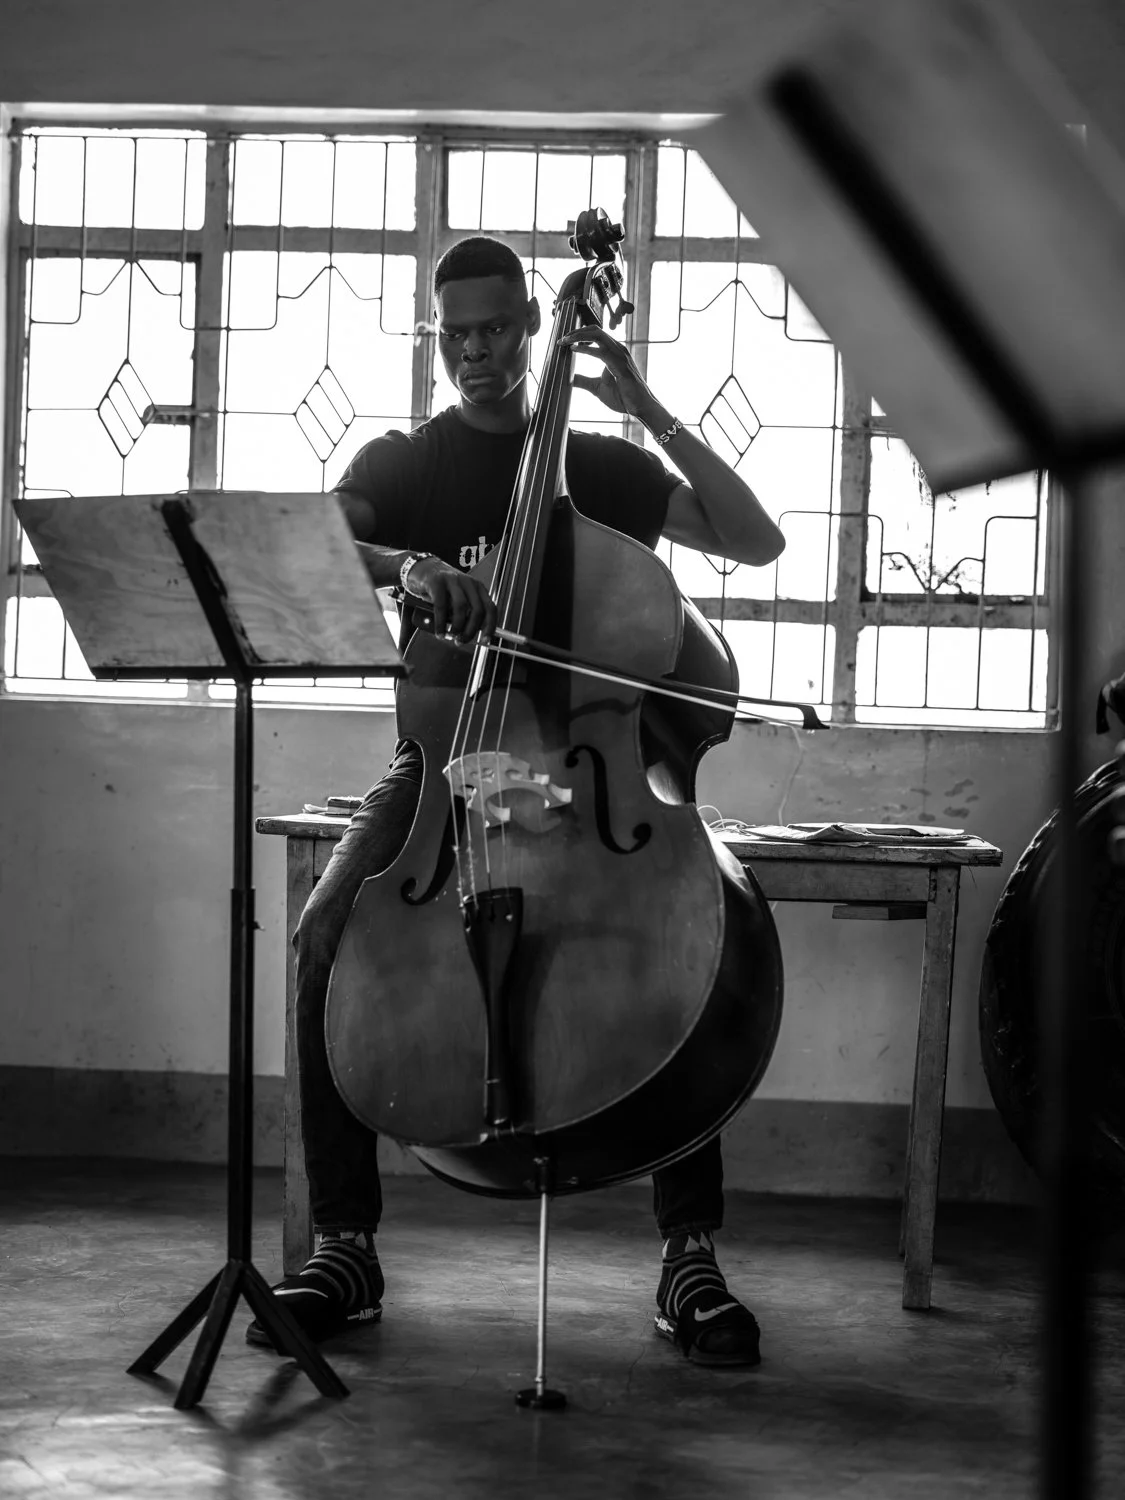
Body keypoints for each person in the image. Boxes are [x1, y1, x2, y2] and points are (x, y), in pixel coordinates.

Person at [247, 235, 786, 1368]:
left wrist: (638, 394)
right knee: (320, 938)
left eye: (498, 328)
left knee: (684, 941)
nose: (479, 352)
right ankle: (346, 1242)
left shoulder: (605, 471)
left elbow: (754, 538)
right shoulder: (406, 459)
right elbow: (316, 539)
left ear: (535, 327)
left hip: (597, 774)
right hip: (443, 770)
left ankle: (690, 1255)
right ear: (440, 338)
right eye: (458, 334)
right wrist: (407, 568)